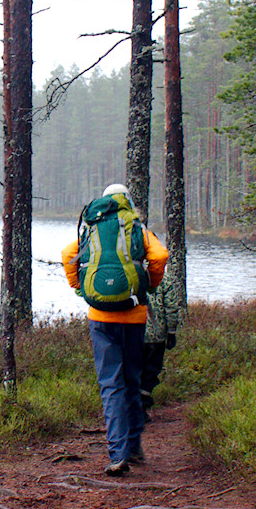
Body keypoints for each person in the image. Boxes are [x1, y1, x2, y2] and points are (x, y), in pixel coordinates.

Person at [62, 183, 169, 477]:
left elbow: (67, 254)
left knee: (111, 385)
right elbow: (160, 256)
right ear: (126, 201)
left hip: (100, 317)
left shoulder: (92, 227)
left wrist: (79, 287)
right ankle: (133, 446)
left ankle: (117, 453)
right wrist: (151, 283)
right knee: (132, 380)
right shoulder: (136, 227)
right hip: (134, 315)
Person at [140, 276, 181, 419]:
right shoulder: (163, 278)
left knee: (132, 370)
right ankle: (142, 407)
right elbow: (171, 307)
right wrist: (171, 332)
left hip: (131, 332)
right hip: (156, 336)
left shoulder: (129, 273)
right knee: (150, 371)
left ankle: (129, 408)